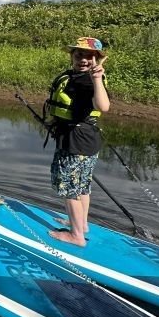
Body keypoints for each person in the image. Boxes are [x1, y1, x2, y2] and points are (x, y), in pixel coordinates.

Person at [45, 37, 110, 247]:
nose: (83, 59)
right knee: (82, 186)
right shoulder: (74, 76)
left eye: (89, 56)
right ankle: (81, 225)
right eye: (79, 54)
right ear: (72, 55)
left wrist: (98, 79)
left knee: (69, 188)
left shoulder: (88, 80)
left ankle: (76, 236)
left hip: (76, 142)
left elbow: (103, 106)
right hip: (87, 140)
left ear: (97, 59)